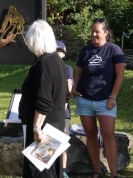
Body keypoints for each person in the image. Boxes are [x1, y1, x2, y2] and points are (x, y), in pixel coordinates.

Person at [71, 18, 125, 178]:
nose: (94, 34)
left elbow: (120, 75)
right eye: (92, 31)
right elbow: (79, 72)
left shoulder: (114, 50)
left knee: (108, 134)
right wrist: (74, 88)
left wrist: (112, 97)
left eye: (97, 31)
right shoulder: (85, 50)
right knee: (90, 134)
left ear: (106, 33)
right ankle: (97, 171)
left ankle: (113, 173)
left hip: (105, 100)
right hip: (84, 99)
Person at [18, 19, 67, 178]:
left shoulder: (45, 63)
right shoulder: (56, 60)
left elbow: (44, 100)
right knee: (50, 170)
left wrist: (36, 128)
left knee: (39, 172)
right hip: (55, 125)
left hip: (45, 129)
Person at [56, 40, 73, 178]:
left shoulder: (67, 69)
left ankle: (63, 170)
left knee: (63, 140)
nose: (57, 54)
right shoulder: (46, 67)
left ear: (64, 54)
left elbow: (69, 90)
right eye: (55, 51)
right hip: (48, 111)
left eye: (60, 51)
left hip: (63, 111)